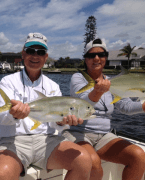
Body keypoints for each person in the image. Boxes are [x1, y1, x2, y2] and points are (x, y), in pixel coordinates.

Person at [0, 32, 92, 180]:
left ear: (46, 57)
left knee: (83, 160)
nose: (35, 56)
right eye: (31, 51)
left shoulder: (53, 86)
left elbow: (57, 124)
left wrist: (61, 121)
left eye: (41, 52)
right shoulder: (8, 82)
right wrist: (14, 114)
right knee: (2, 173)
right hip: (13, 140)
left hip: (47, 140)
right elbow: (1, 119)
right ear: (23, 54)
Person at [62, 38, 145, 180]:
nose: (96, 58)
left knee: (138, 156)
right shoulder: (78, 78)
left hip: (104, 136)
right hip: (79, 133)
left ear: (105, 58)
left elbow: (126, 106)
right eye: (91, 55)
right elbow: (82, 103)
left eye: (101, 55)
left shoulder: (112, 82)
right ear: (85, 59)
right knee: (93, 163)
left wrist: (143, 106)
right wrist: (98, 91)